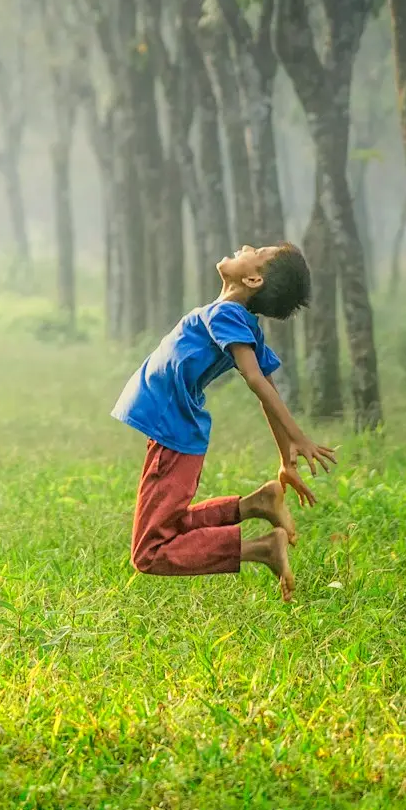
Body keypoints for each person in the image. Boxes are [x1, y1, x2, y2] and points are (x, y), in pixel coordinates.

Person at [112, 243, 334, 601]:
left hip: (174, 433)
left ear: (252, 278)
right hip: (173, 431)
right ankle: (255, 505)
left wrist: (297, 437)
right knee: (168, 526)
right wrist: (285, 458)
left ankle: (261, 549)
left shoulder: (228, 314)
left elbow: (257, 380)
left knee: (150, 552)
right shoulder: (233, 317)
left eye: (257, 250)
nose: (246, 246)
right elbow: (267, 385)